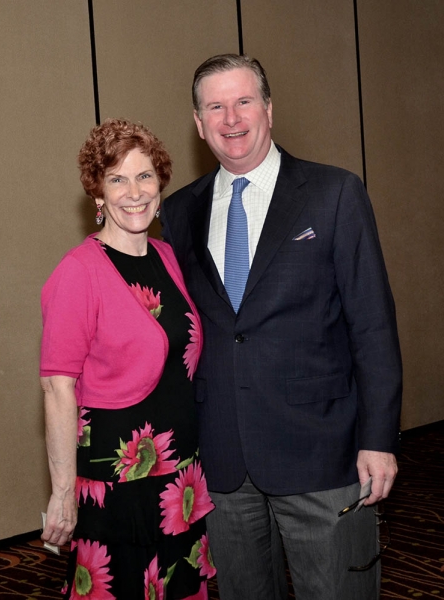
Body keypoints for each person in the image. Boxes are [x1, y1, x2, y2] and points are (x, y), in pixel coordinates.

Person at [161, 54, 402, 600]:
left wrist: (378, 440)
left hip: (325, 453)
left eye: (243, 101)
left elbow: (372, 326)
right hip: (223, 460)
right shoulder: (178, 212)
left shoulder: (334, 193)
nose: (231, 118)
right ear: (198, 123)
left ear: (269, 109)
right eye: (215, 107)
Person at [40, 118, 215, 600]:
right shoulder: (78, 272)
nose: (133, 192)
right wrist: (62, 492)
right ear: (98, 193)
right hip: (119, 479)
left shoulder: (167, 256)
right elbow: (57, 387)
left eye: (144, 176)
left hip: (179, 473)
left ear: (160, 185)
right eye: (117, 179)